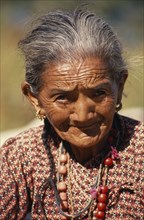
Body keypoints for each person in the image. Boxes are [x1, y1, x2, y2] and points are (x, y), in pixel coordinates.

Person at [0, 8, 143, 220]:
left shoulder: (139, 152)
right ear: (34, 99)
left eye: (99, 93)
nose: (83, 115)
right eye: (63, 98)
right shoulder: (22, 156)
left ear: (119, 87)